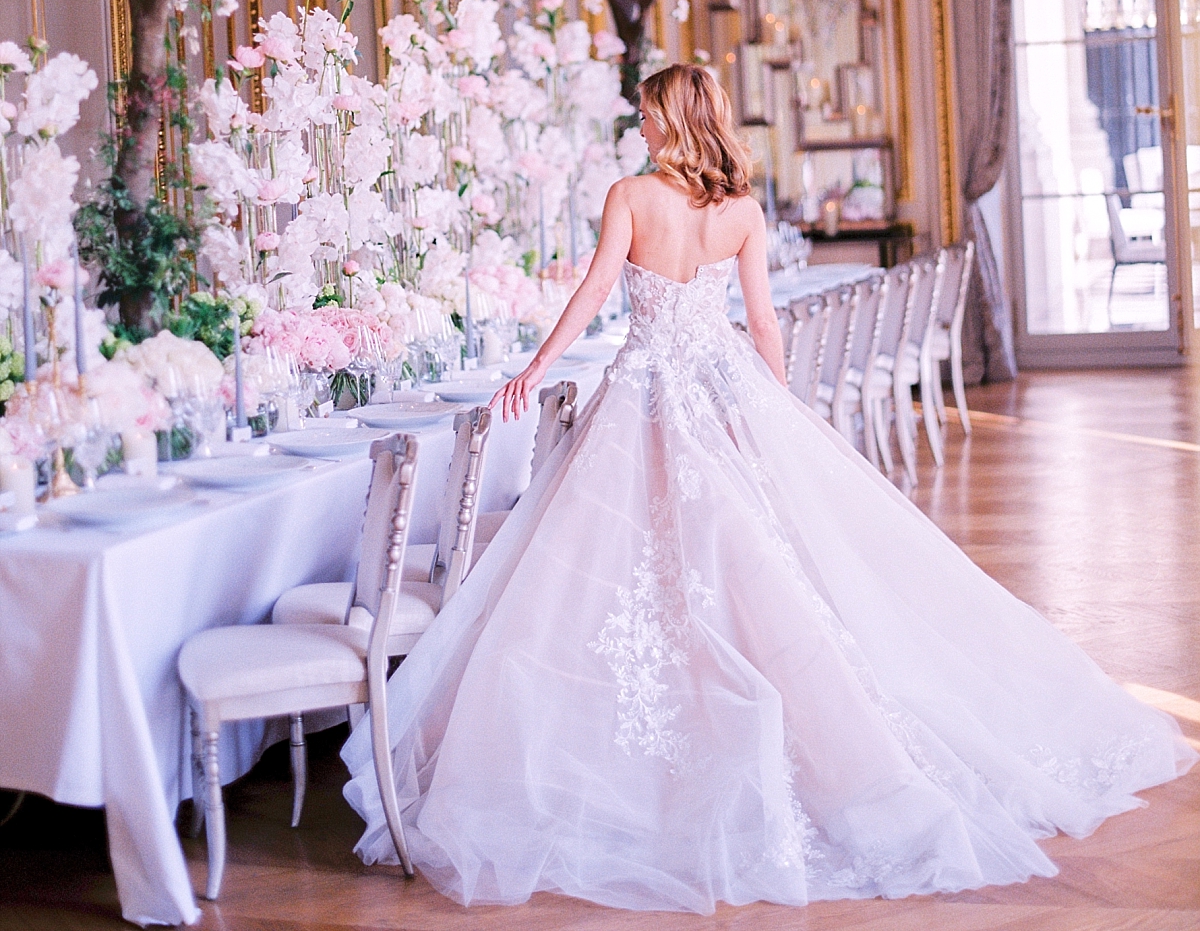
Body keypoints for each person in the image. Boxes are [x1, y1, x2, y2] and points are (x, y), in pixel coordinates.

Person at [342, 63, 1194, 913]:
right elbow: (762, 320)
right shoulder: (740, 209)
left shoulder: (630, 196)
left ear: (672, 118)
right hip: (716, 390)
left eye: (646, 113)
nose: (638, 127)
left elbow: (599, 291)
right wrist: (772, 413)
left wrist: (536, 366)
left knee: (617, 574)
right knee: (747, 571)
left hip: (641, 395)